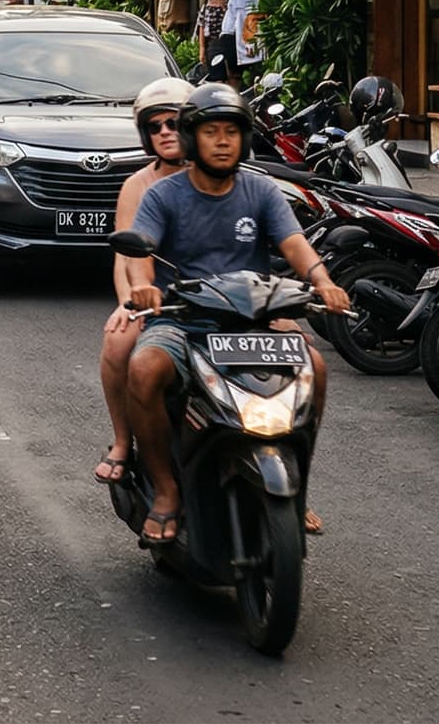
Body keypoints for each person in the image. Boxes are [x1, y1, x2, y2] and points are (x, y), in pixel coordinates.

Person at [122, 83, 350, 546]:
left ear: (244, 139)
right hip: (184, 321)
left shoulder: (262, 191)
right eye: (211, 132)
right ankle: (166, 490)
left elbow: (295, 246)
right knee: (144, 369)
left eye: (231, 131)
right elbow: (140, 249)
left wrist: (323, 280)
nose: (222, 140)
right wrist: (145, 286)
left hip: (253, 321)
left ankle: (296, 487)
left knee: (317, 370)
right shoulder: (164, 196)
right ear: (191, 139)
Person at [93, 77, 192, 488]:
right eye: (157, 126)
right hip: (160, 300)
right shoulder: (138, 186)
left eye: (175, 123)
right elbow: (128, 256)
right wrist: (130, 301)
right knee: (118, 341)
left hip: (224, 300)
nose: (166, 132)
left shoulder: (229, 178)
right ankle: (122, 440)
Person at [195, 0, 234, 79]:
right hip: (213, 43)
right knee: (216, 74)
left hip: (228, 42)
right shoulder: (209, 1)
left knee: (230, 74)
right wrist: (202, 48)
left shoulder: (231, 2)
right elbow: (202, 24)